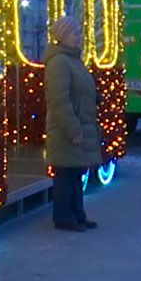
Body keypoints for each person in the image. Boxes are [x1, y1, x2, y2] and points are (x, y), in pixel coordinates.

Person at [43, 16, 102, 232]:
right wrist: (73, 130)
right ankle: (63, 218)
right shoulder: (59, 62)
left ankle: (77, 215)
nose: (79, 37)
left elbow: (78, 91)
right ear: (63, 36)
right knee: (65, 176)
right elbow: (59, 100)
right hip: (66, 131)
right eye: (75, 33)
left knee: (76, 174)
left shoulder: (73, 59)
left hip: (79, 125)